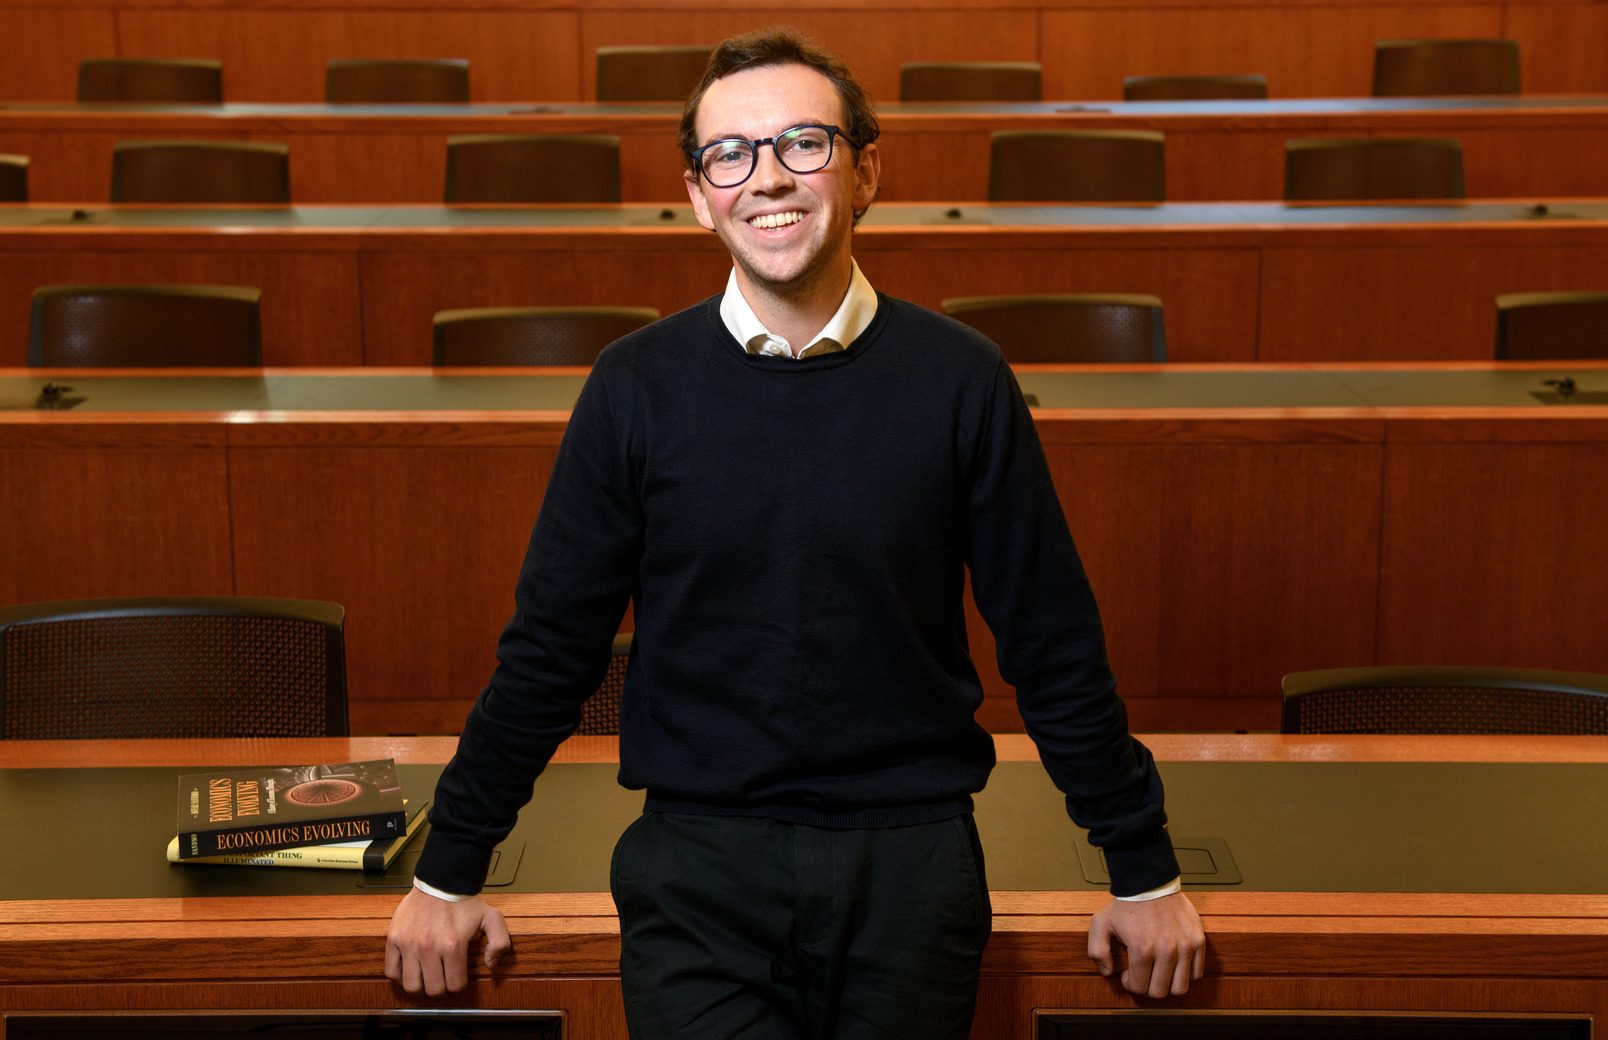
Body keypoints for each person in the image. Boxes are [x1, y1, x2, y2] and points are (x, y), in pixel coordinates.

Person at [385, 26, 1206, 1036]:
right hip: (696, 869)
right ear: (698, 196)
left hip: (913, 864)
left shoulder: (962, 378)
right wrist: (449, 864)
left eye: (802, 144)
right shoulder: (634, 386)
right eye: (729, 154)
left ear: (865, 171)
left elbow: (1049, 639)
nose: (766, 178)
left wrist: (1141, 863)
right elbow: (553, 649)